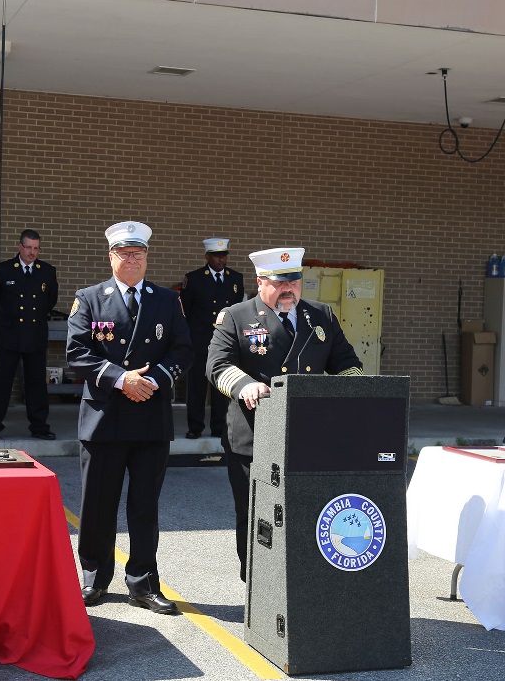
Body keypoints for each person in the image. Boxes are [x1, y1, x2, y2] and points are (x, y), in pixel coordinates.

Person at [206, 247, 363, 581]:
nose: (288, 288)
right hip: (254, 433)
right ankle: (258, 587)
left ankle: (300, 583)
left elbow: (347, 363)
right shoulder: (236, 316)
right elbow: (217, 365)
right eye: (280, 282)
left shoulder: (321, 315)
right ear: (261, 282)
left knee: (305, 512)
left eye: (294, 280)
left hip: (309, 434)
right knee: (256, 516)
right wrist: (245, 385)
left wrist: (359, 396)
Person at [66, 221, 192, 615]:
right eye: (124, 254)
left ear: (147, 258)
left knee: (144, 506)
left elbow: (182, 350)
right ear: (111, 257)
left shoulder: (167, 300)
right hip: (104, 418)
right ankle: (93, 576)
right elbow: (76, 352)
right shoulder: (89, 298)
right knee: (98, 503)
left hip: (150, 417)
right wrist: (122, 380)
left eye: (138, 254)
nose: (132, 260)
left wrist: (150, 381)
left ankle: (143, 582)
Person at [0, 229, 59, 441]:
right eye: (28, 248)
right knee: (2, 382)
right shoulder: (3, 270)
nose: (32, 252)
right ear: (20, 247)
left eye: (36, 248)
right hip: (8, 334)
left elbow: (50, 301)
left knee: (36, 383)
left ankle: (39, 427)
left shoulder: (47, 271)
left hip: (34, 334)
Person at [179, 237, 245, 439]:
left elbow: (238, 312)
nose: (221, 259)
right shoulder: (194, 278)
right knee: (197, 387)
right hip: (200, 341)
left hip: (224, 342)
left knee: (221, 386)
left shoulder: (235, 278)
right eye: (217, 256)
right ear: (207, 256)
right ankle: (195, 427)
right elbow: (186, 313)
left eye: (224, 255)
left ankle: (218, 428)